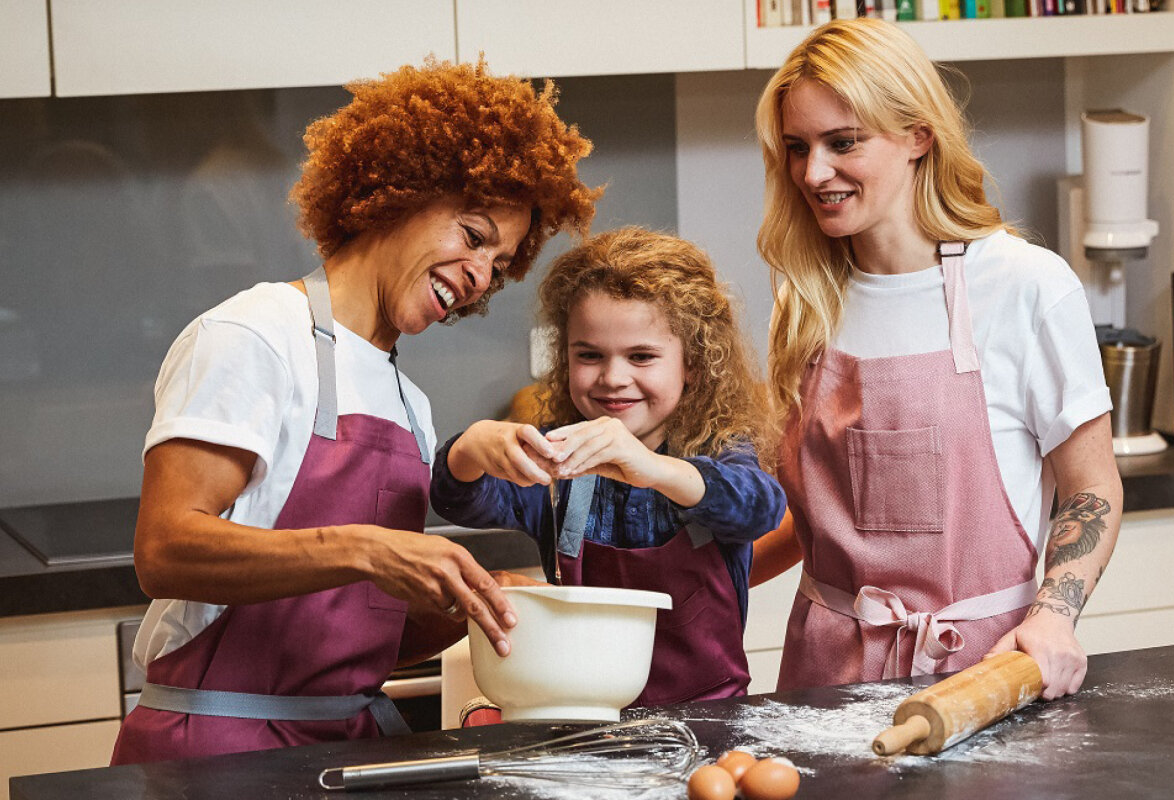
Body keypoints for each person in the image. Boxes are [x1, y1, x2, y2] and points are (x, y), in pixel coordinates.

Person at [111, 59, 599, 765]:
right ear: (399, 191)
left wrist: (466, 601)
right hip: (216, 752)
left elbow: (360, 635)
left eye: (499, 264)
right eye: (472, 234)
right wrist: (367, 547)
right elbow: (164, 551)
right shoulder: (255, 334)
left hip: (347, 751)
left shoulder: (411, 405)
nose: (479, 276)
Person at [749, 18, 1122, 701]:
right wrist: (689, 580)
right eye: (797, 148)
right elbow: (816, 523)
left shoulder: (1024, 286)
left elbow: (1092, 487)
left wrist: (1054, 615)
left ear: (919, 135)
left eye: (843, 143)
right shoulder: (803, 300)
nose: (813, 172)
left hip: (982, 675)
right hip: (821, 678)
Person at [430, 227, 787, 706]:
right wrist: (468, 450)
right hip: (586, 719)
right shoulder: (560, 461)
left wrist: (651, 468)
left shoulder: (718, 449)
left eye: (642, 356)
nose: (613, 378)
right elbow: (458, 498)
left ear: (692, 366)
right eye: (589, 356)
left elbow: (759, 507)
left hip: (708, 720)